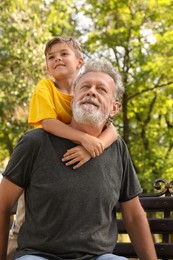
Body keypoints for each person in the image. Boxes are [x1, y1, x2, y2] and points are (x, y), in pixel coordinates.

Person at [0, 60, 157, 260]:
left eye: (101, 89)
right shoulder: (35, 142)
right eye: (85, 87)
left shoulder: (118, 149)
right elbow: (2, 205)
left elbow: (134, 216)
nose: (92, 92)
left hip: (99, 257)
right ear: (73, 99)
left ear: (114, 108)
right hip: (39, 256)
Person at [6, 37, 118, 259]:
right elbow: (47, 122)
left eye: (63, 54)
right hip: (42, 166)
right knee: (23, 222)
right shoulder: (45, 87)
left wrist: (91, 149)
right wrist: (84, 139)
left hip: (77, 169)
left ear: (79, 61)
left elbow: (112, 131)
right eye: (50, 57)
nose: (56, 58)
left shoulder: (86, 90)